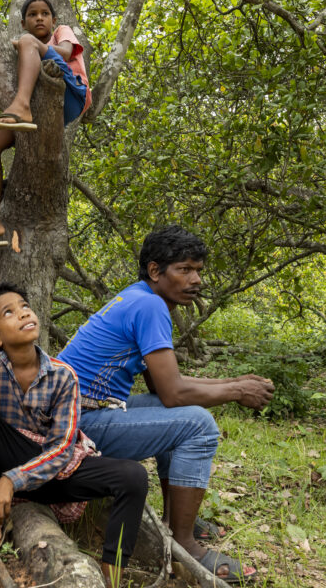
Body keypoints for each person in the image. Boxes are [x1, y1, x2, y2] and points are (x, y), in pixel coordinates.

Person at [58, 225, 275, 584]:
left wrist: (235, 382)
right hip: (79, 425)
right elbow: (174, 393)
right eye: (185, 269)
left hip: (88, 413)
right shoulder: (150, 306)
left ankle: (178, 523)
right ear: (156, 271)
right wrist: (237, 392)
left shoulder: (139, 297)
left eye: (199, 271)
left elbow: (162, 389)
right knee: (198, 424)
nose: (196, 280)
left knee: (181, 416)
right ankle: (186, 546)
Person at [0, 283, 148, 587]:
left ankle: (111, 575)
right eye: (9, 312)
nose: (23, 313)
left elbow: (62, 448)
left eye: (24, 306)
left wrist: (12, 481)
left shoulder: (63, 376)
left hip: (50, 473)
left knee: (133, 476)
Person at [0, 0, 91, 250]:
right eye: (32, 15)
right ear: (22, 21)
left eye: (44, 14)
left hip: (71, 92)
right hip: (41, 111)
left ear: (54, 20)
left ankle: (21, 105)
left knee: (29, 43)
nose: (39, 18)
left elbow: (64, 52)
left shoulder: (59, 33)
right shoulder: (25, 48)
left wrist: (25, 42)